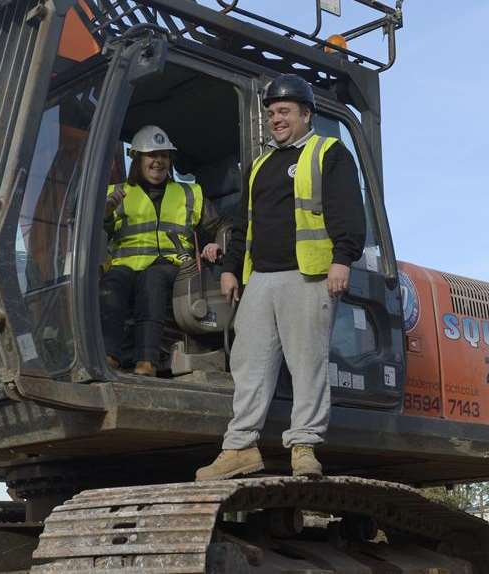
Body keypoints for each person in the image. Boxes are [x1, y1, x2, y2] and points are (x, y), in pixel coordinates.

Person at [195, 74, 366, 480]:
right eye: (272, 113)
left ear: (306, 115)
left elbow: (348, 211)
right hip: (262, 279)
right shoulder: (259, 166)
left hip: (308, 275)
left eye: (285, 111)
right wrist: (232, 268)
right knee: (249, 362)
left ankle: (304, 447)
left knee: (307, 363)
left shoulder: (330, 153)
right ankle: (239, 449)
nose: (277, 119)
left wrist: (343, 258)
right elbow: (243, 224)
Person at [101, 125, 224, 376]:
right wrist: (104, 214)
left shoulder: (190, 193)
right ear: (137, 159)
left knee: (152, 279)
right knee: (113, 281)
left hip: (173, 264)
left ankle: (147, 360)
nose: (158, 161)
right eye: (152, 155)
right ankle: (109, 354)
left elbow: (221, 225)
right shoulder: (115, 194)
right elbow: (93, 234)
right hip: (126, 265)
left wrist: (217, 242)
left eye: (164, 156)